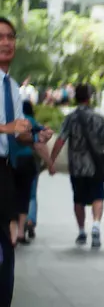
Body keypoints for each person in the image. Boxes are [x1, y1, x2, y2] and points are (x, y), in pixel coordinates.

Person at [49, 82, 104, 249]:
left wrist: (51, 161)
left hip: (77, 166)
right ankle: (95, 226)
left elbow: (60, 140)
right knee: (98, 196)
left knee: (78, 199)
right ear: (89, 98)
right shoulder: (100, 119)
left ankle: (82, 231)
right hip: (97, 165)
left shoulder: (70, 118)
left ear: (75, 98)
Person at [0, 18, 26, 307]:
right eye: (0, 37)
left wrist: (37, 136)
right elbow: (7, 127)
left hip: (4, 171)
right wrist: (6, 128)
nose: (6, 42)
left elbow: (17, 130)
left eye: (10, 37)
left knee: (7, 247)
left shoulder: (12, 85)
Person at [9, 99, 47, 245]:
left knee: (12, 195)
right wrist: (49, 162)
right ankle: (22, 231)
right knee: (27, 195)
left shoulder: (12, 119)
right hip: (27, 161)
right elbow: (41, 138)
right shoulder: (30, 121)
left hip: (11, 161)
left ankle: (12, 229)